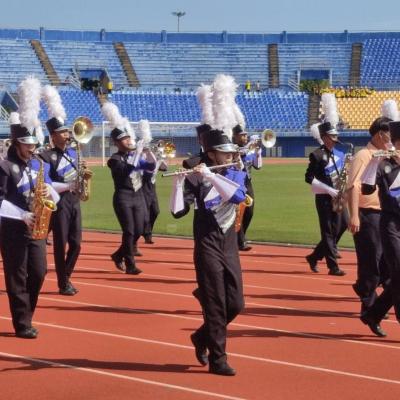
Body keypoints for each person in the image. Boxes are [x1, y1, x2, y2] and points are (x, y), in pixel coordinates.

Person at [170, 128, 246, 376]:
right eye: (225, 152)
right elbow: (177, 211)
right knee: (215, 304)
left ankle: (201, 336)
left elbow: (237, 196)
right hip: (207, 245)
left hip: (229, 245)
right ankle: (218, 359)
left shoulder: (236, 172)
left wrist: (210, 177)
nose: (230, 155)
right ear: (212, 154)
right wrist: (178, 184)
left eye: (231, 152)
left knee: (235, 303)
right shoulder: (196, 177)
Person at [0, 77, 58, 338]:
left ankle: (27, 313)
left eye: (34, 144)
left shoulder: (38, 163)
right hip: (12, 229)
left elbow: (52, 192)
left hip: (36, 228)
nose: (32, 148)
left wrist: (50, 194)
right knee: (17, 276)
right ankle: (22, 323)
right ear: (16, 143)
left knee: (39, 272)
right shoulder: (4, 166)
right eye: (27, 144)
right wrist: (22, 214)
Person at [41, 85, 92, 296]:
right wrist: (69, 186)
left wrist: (83, 174)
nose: (67, 134)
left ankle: (66, 276)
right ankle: (63, 283)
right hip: (58, 203)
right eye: (62, 132)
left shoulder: (73, 152)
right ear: (53, 136)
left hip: (74, 202)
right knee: (60, 244)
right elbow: (46, 183)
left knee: (77, 244)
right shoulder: (46, 156)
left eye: (67, 131)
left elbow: (77, 174)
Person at [103, 102, 156, 274]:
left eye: (128, 138)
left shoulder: (135, 156)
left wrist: (149, 153)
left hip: (138, 196)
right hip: (123, 197)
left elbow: (150, 167)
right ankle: (130, 264)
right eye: (124, 139)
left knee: (139, 230)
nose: (128, 141)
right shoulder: (114, 159)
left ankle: (118, 255)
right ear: (117, 143)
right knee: (129, 231)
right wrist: (138, 153)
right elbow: (126, 170)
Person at [347, 117, 392, 315]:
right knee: (371, 260)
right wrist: (354, 215)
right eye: (390, 133)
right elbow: (353, 186)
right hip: (368, 214)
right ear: (380, 134)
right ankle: (369, 303)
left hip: (386, 214)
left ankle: (364, 288)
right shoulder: (363, 155)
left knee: (388, 261)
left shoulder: (388, 155)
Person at [360, 120, 400, 337]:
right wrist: (375, 162)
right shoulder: (384, 164)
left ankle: (373, 314)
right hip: (391, 224)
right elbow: (366, 189)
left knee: (397, 278)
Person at [304, 121, 348, 276]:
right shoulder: (316, 155)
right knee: (328, 231)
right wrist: (328, 190)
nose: (335, 138)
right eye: (332, 135)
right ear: (324, 137)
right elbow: (309, 178)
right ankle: (333, 267)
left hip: (339, 196)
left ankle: (314, 256)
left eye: (336, 135)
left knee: (343, 225)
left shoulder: (340, 154)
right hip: (324, 198)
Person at [232, 124, 262, 251]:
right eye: (242, 135)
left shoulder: (250, 149)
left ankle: (239, 237)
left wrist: (258, 152)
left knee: (249, 211)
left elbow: (258, 166)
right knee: (238, 212)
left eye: (245, 135)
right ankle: (240, 241)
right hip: (235, 182)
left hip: (247, 182)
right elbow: (240, 155)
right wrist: (249, 148)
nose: (245, 137)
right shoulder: (232, 148)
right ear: (235, 136)